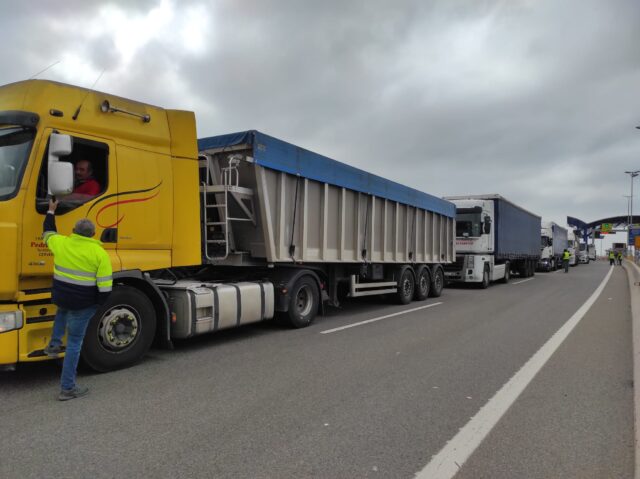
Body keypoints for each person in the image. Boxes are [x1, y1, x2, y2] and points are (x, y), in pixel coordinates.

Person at [42, 199, 112, 401]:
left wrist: (51, 210)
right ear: (93, 235)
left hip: (63, 297)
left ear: (73, 230)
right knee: (74, 343)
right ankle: (68, 388)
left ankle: (54, 345)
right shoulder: (99, 253)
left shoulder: (61, 243)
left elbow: (48, 231)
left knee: (62, 310)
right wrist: (97, 304)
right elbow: (105, 287)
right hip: (83, 303)